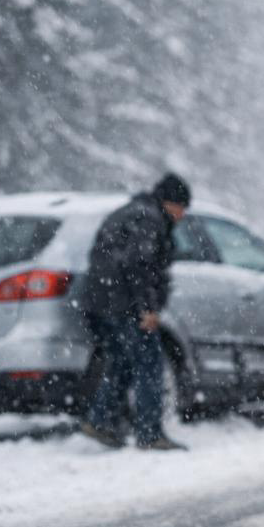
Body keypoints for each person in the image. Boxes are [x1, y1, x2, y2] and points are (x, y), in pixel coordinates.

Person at [80, 173, 190, 450]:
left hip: (101, 302)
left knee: (121, 362)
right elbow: (139, 266)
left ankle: (100, 421)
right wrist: (147, 309)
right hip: (124, 305)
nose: (183, 215)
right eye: (182, 207)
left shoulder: (130, 213)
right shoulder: (149, 219)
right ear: (170, 202)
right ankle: (150, 434)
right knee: (149, 363)